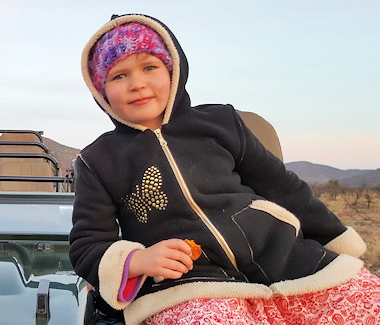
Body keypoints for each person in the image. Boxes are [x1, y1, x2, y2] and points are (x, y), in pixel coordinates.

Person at [68, 13, 379, 324]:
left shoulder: (221, 122)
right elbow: (88, 245)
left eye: (150, 67)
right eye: (118, 76)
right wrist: (137, 260)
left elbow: (284, 188)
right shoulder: (97, 161)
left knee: (367, 301)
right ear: (101, 91)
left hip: (287, 264)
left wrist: (337, 239)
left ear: (173, 70)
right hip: (190, 289)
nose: (137, 84)